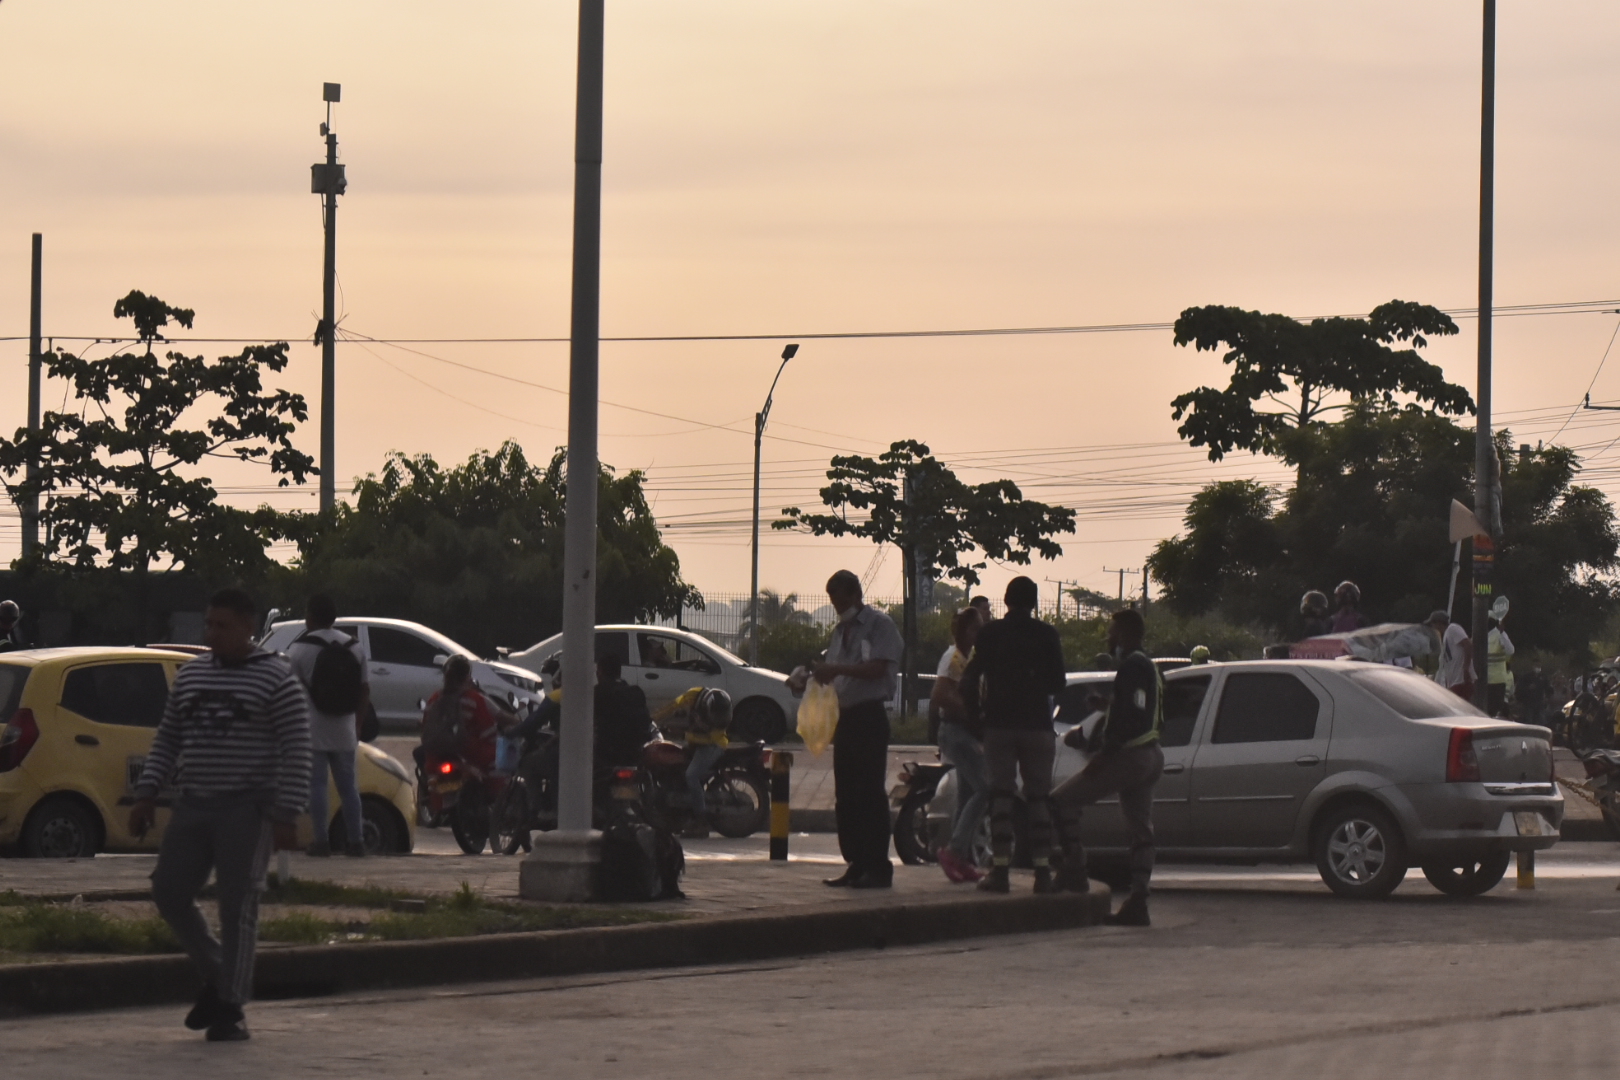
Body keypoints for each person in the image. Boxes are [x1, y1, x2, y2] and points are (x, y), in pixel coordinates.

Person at [128, 588, 311, 1042]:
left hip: (247, 808)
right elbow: (168, 737)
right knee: (169, 891)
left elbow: (297, 747)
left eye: (222, 625)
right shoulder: (191, 677)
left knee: (238, 905)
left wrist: (287, 812)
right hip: (194, 802)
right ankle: (217, 970)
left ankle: (230, 1005)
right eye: (208, 625)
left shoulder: (275, 678)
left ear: (248, 626)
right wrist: (146, 793)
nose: (213, 634)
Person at [789, 569, 903, 889]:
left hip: (869, 715)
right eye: (833, 603)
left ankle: (877, 866)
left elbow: (877, 668)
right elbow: (834, 674)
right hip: (846, 718)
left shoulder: (880, 626)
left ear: (856, 595)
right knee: (847, 796)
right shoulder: (840, 632)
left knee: (869, 794)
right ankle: (855, 862)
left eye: (841, 601)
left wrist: (836, 668)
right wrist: (809, 679)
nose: (838, 608)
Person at [1053, 607, 1164, 926]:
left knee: (1060, 802)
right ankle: (1139, 901)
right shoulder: (1150, 667)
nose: (1108, 637)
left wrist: (1103, 754)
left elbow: (1130, 717)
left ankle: (1075, 870)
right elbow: (1140, 709)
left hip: (1127, 756)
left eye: (1113, 631)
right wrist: (1107, 705)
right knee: (1141, 830)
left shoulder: (1131, 666)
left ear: (1127, 634)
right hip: (1151, 754)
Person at [961, 576, 1066, 894]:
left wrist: (976, 721)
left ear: (1005, 601)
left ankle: (1001, 871)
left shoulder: (991, 634)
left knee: (1001, 797)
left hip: (1000, 725)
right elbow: (1058, 683)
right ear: (1034, 603)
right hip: (1037, 726)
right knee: (1038, 798)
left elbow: (969, 680)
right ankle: (1043, 873)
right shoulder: (1047, 635)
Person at [285, 594, 370, 858]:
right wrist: (357, 724)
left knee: (317, 786)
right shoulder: (354, 647)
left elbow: (289, 692)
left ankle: (321, 842)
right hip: (345, 728)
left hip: (312, 729)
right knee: (349, 788)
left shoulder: (298, 650)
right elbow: (364, 689)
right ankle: (356, 841)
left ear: (310, 617)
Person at [932, 607, 987, 884]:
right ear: (966, 631)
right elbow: (940, 694)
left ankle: (962, 858)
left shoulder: (969, 658)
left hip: (964, 731)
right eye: (977, 627)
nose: (981, 632)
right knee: (985, 788)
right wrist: (971, 714)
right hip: (957, 731)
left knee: (967, 794)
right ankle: (955, 850)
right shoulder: (953, 658)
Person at [656, 686, 733, 837]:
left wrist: (682, 734)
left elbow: (707, 738)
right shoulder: (693, 695)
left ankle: (701, 821)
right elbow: (674, 705)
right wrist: (654, 718)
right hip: (698, 743)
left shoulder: (719, 720)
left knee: (691, 776)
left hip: (713, 745)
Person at [593, 652, 656, 769]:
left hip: (605, 754)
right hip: (634, 753)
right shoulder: (635, 692)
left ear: (600, 672)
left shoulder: (597, 693)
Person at [1428, 610, 1472, 699]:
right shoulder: (1445, 637)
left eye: (1433, 624)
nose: (1432, 628)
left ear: (1439, 623)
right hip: (1453, 682)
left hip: (1460, 680)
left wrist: (1466, 668)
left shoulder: (1452, 628)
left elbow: (1467, 645)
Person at [1487, 613, 1515, 718]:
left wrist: (1502, 633)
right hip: (1483, 681)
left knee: (1493, 712)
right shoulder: (1481, 634)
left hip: (1496, 681)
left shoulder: (1498, 635)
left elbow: (1510, 650)